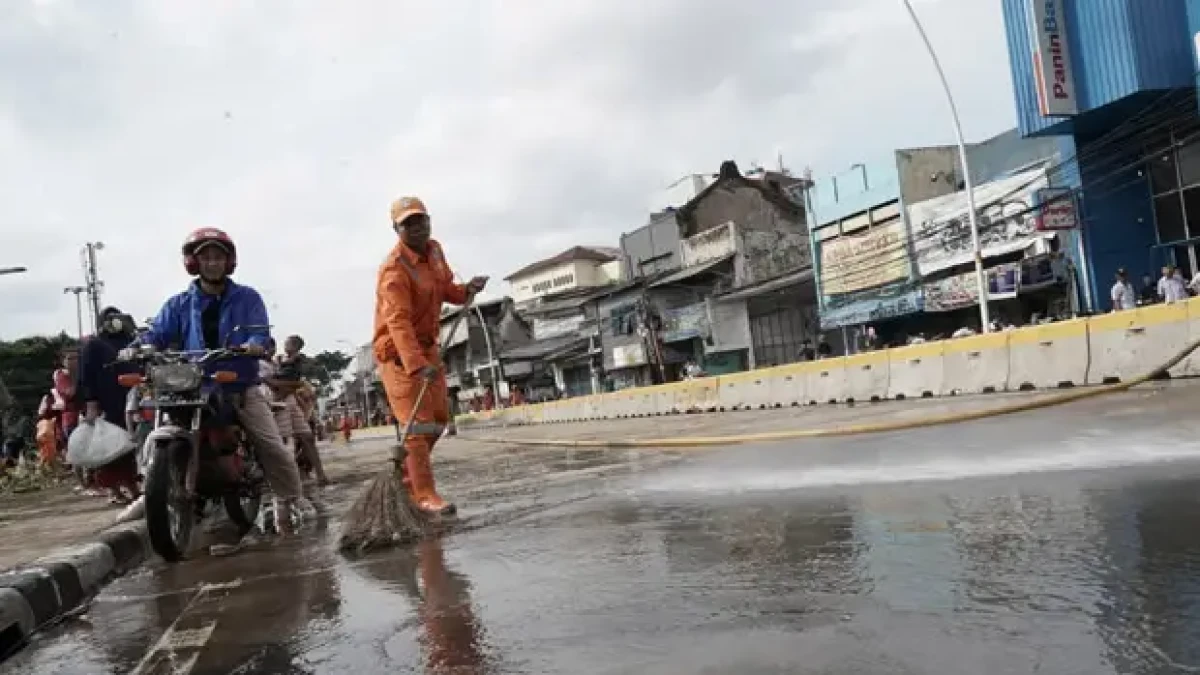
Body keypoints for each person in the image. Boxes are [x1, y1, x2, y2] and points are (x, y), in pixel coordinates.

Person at [124, 227, 309, 533]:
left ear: (229, 262)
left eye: (218, 257)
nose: (212, 263)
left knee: (270, 444)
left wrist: (255, 343)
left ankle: (291, 498)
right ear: (193, 263)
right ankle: (152, 489)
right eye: (205, 257)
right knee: (155, 417)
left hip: (237, 382)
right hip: (193, 382)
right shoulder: (179, 304)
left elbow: (259, 330)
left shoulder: (247, 297)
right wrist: (135, 346)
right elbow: (156, 333)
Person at [373, 196, 486, 516]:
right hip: (398, 354)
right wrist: (415, 365)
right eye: (408, 223)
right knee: (419, 426)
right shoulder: (393, 270)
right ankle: (424, 495)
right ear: (396, 229)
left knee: (438, 420)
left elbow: (445, 288)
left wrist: (466, 291)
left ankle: (408, 480)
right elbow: (398, 322)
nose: (417, 227)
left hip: (428, 347)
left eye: (420, 220)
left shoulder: (435, 251)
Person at [78, 307, 142, 505]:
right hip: (107, 401)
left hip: (130, 400)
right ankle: (114, 489)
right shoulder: (94, 345)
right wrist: (91, 403)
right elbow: (86, 376)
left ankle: (132, 485)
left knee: (130, 446)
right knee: (109, 449)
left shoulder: (129, 342)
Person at [276, 335, 329, 486]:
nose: (284, 346)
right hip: (282, 399)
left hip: (287, 398)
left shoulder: (293, 359)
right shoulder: (279, 361)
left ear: (295, 346)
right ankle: (291, 478)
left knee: (306, 437)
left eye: (287, 344)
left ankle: (319, 475)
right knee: (286, 441)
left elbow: (294, 382)